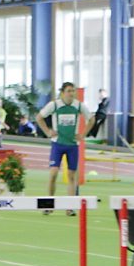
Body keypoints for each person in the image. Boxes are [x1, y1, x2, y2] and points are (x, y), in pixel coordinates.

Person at [37, 82, 97, 216]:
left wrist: (83, 135)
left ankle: (70, 207)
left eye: (73, 91)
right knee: (53, 173)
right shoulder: (55, 105)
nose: (71, 93)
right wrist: (47, 131)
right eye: (69, 91)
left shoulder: (79, 106)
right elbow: (39, 117)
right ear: (62, 92)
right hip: (57, 144)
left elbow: (92, 120)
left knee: (71, 176)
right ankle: (49, 204)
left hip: (72, 145)